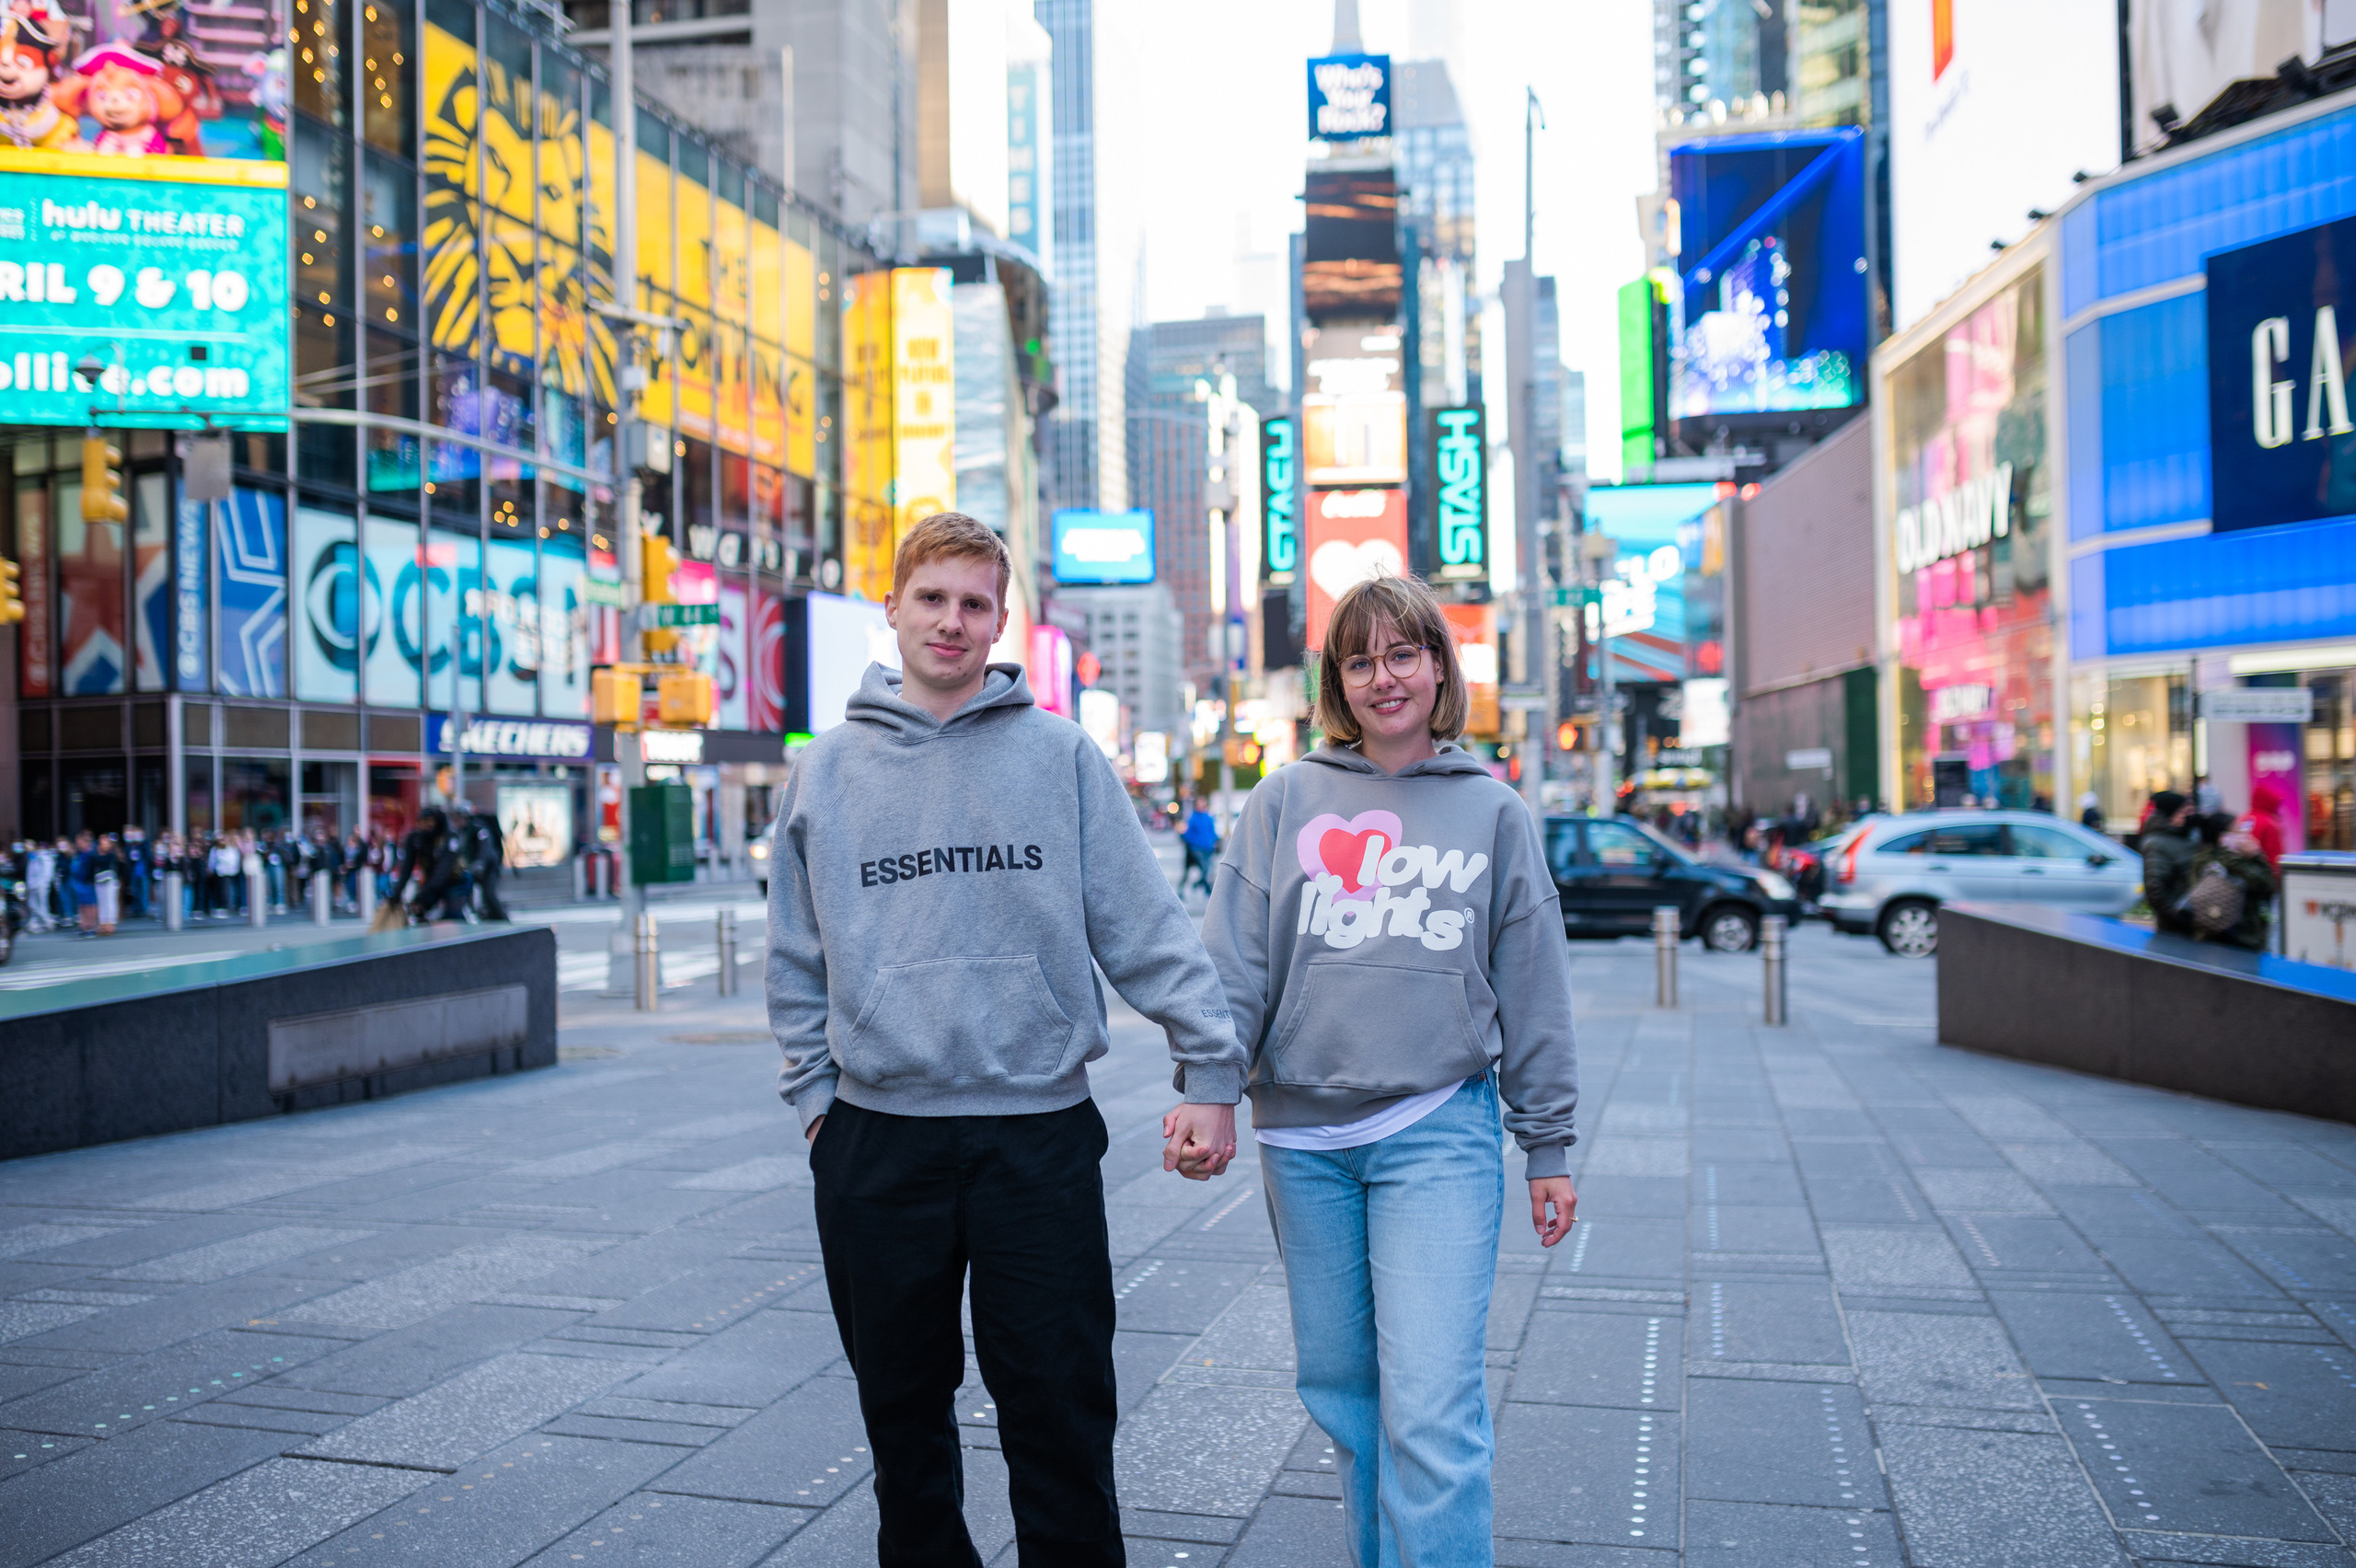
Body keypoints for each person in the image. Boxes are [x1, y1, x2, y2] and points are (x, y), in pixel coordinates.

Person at [766, 512, 1245, 1568]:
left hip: (1038, 1137)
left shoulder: (1061, 756)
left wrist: (1210, 1066)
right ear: (891, 608)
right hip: (876, 1143)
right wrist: (815, 1110)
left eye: (973, 602)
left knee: (1062, 1414)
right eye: (930, 598)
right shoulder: (826, 770)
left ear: (999, 619)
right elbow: (794, 959)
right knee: (903, 1424)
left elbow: (1144, 927)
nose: (951, 620)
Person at [1198, 572, 1579, 1566]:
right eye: (1359, 659)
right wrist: (1208, 1091)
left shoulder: (1493, 814)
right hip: (1303, 1141)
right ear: (1336, 681)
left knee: (1432, 1405)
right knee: (1342, 1392)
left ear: (1439, 667)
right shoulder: (1284, 800)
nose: (1382, 677)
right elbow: (1233, 965)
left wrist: (1548, 1144)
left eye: (1402, 653)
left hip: (1436, 1129)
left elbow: (1534, 988)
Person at [2181, 812, 2277, 951]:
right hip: (2241, 937)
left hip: (2210, 933)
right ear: (2223, 838)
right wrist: (2257, 856)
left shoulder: (2201, 857)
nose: (2245, 835)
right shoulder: (2233, 862)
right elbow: (2268, 885)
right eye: (2238, 830)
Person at [2141, 790, 2199, 936]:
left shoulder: (2186, 837)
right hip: (2175, 926)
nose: (2186, 816)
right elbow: (2155, 889)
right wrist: (2177, 916)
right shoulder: (2156, 843)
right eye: (2182, 812)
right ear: (2170, 814)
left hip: (2192, 918)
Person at [460, 801, 509, 920]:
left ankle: (503, 921)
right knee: (467, 894)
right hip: (474, 869)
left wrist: (480, 863)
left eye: (460, 818)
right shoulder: (462, 831)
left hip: (489, 867)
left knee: (489, 895)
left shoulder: (479, 828)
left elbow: (486, 849)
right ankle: (483, 916)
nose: (457, 821)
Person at [2236, 782, 2286, 872]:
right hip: (2263, 876)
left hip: (2243, 875)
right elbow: (2275, 859)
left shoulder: (2242, 819)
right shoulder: (2270, 824)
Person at [1180, 798, 1220, 896]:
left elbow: (1212, 832)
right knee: (1203, 868)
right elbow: (1188, 834)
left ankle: (1201, 886)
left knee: (1207, 869)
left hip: (1207, 848)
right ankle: (1204, 888)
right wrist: (1193, 844)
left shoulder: (1208, 817)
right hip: (1196, 848)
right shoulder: (1193, 818)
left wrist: (1215, 842)